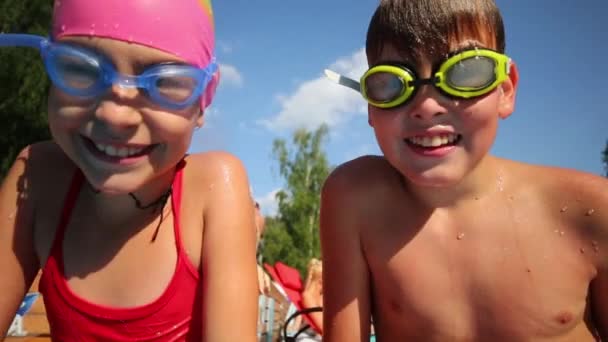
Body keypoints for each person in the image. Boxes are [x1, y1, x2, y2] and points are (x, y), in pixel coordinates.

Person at [320, 0, 608, 341]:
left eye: (467, 72)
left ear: (505, 89)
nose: (427, 106)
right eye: (392, 84)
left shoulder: (590, 208)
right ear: (370, 105)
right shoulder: (357, 200)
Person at [0, 1, 259, 341]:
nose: (115, 116)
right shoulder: (37, 177)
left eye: (166, 83)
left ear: (203, 100)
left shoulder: (212, 190)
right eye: (80, 68)